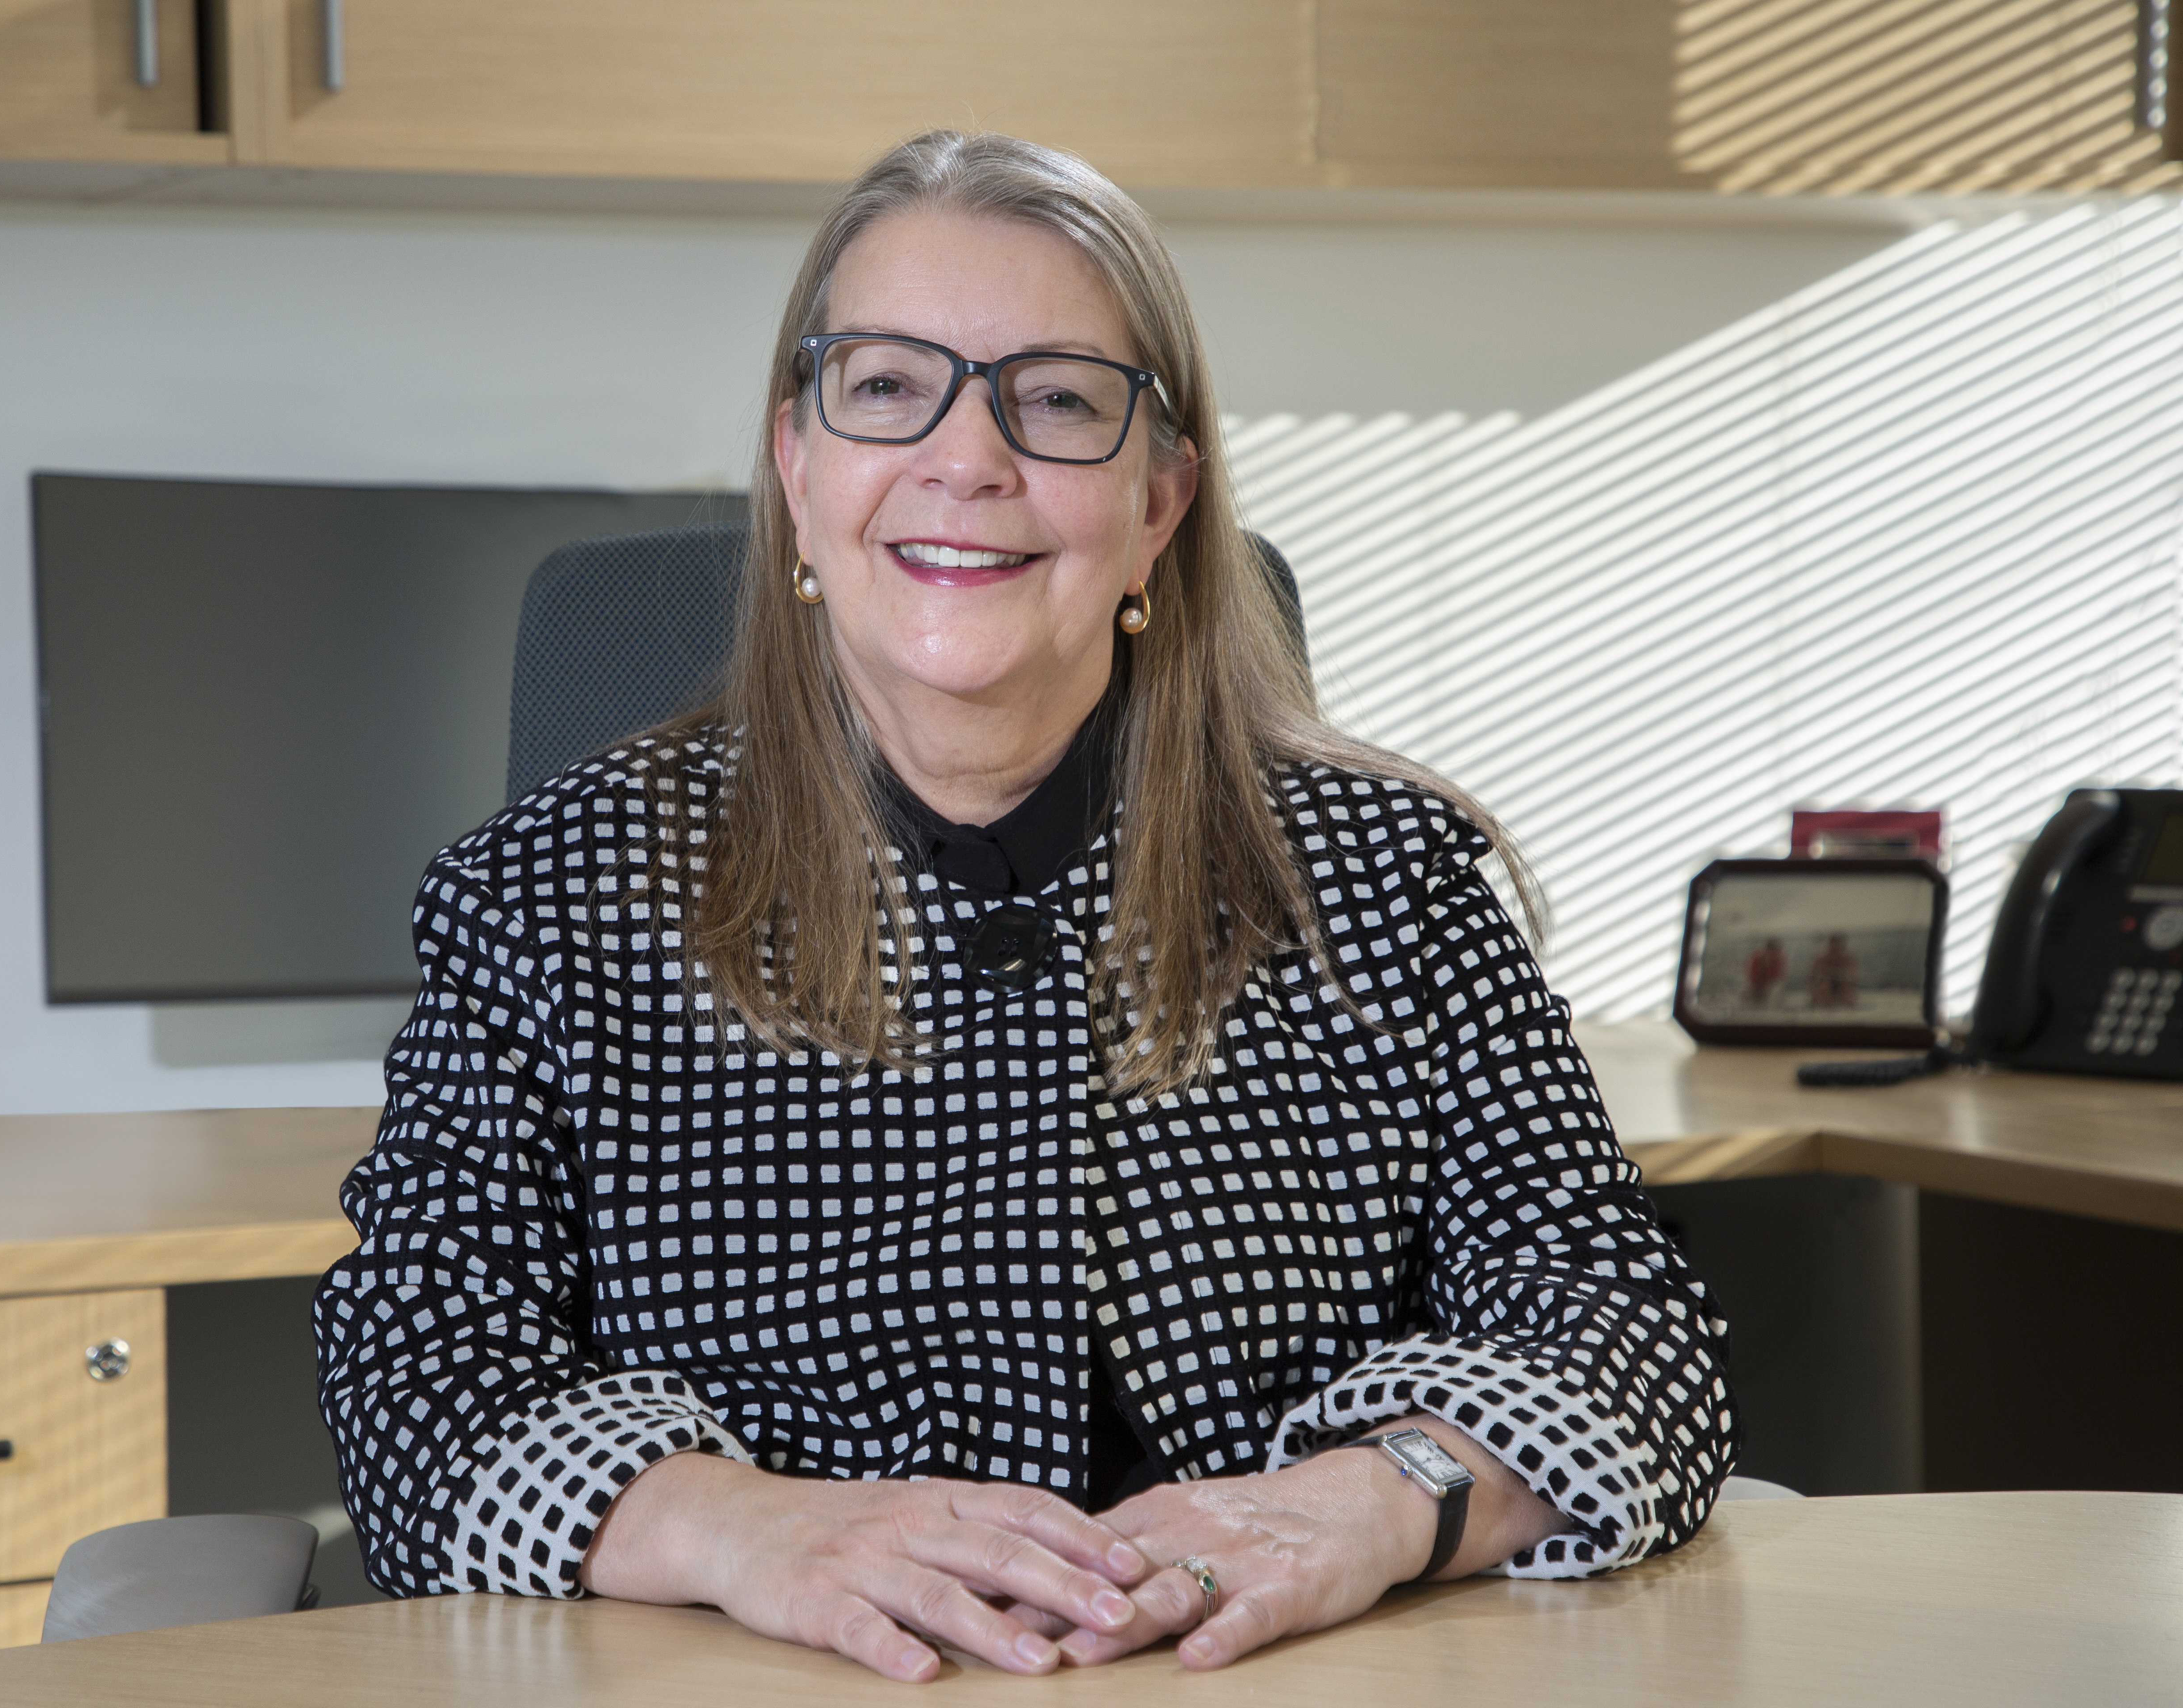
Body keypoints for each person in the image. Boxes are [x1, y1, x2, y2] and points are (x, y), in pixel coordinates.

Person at [314, 129, 1734, 1682]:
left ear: (1159, 503)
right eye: (884, 387)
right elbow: (413, 1367)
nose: (966, 459)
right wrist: (742, 1527)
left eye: (1055, 400)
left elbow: (1623, 1320)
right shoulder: (552, 896)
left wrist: (1378, 1501)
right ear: (799, 469)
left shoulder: (1383, 880)